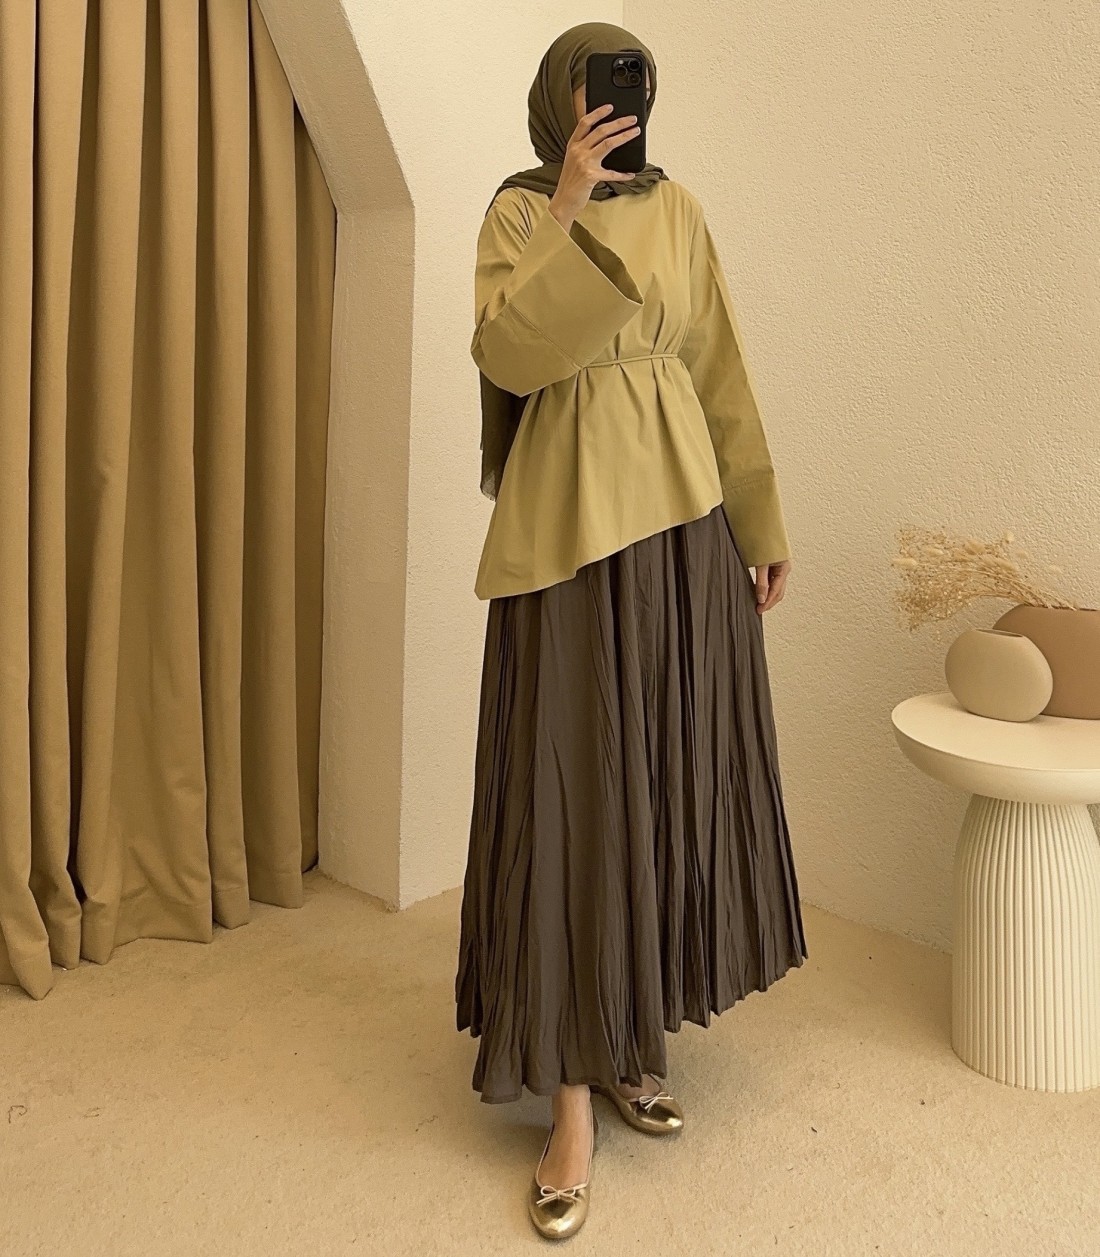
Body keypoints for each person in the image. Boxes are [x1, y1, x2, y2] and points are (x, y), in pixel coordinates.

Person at [454, 21, 808, 1240]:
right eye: (595, 87)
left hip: (682, 530)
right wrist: (565, 205)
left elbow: (718, 370)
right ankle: (566, 1102)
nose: (614, 105)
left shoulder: (681, 210)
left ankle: (627, 1040)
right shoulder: (517, 212)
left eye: (632, 87)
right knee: (568, 804)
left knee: (657, 780)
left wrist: (758, 519)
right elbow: (511, 354)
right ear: (557, 101)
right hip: (566, 539)